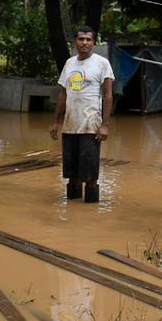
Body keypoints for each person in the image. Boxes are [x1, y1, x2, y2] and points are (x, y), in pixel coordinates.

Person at [50, 27, 114, 202]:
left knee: (90, 174)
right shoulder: (69, 63)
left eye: (88, 39)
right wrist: (56, 121)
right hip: (70, 125)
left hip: (91, 126)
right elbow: (63, 93)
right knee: (71, 174)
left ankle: (91, 215)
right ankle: (71, 216)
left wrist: (105, 125)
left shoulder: (102, 63)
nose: (84, 43)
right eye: (81, 39)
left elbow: (108, 95)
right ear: (75, 42)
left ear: (93, 42)